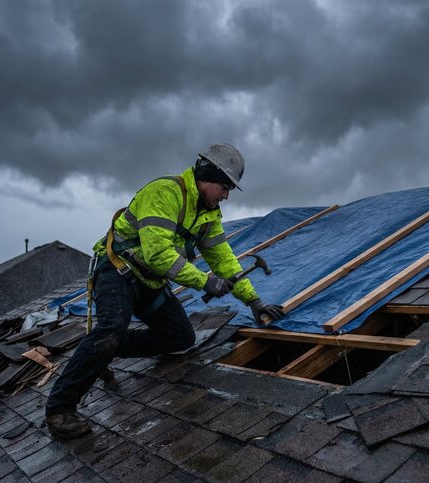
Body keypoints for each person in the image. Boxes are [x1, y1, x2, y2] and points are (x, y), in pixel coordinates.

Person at [45, 143, 284, 438]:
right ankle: (60, 409)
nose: (225, 195)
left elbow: (222, 258)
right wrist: (205, 282)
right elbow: (157, 252)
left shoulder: (209, 215)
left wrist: (254, 301)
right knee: (109, 328)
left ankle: (107, 350)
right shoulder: (164, 193)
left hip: (150, 281)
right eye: (224, 187)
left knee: (181, 336)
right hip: (117, 271)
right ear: (206, 177)